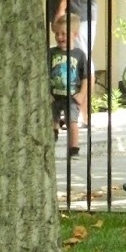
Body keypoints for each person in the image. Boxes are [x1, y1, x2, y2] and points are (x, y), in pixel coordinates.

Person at [49, 12, 88, 154]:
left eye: (64, 34)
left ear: (75, 34)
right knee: (51, 120)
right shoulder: (51, 53)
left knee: (72, 122)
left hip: (72, 97)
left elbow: (85, 77)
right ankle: (52, 140)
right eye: (57, 34)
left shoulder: (79, 54)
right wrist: (47, 93)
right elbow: (44, 74)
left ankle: (73, 148)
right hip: (54, 96)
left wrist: (82, 94)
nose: (60, 37)